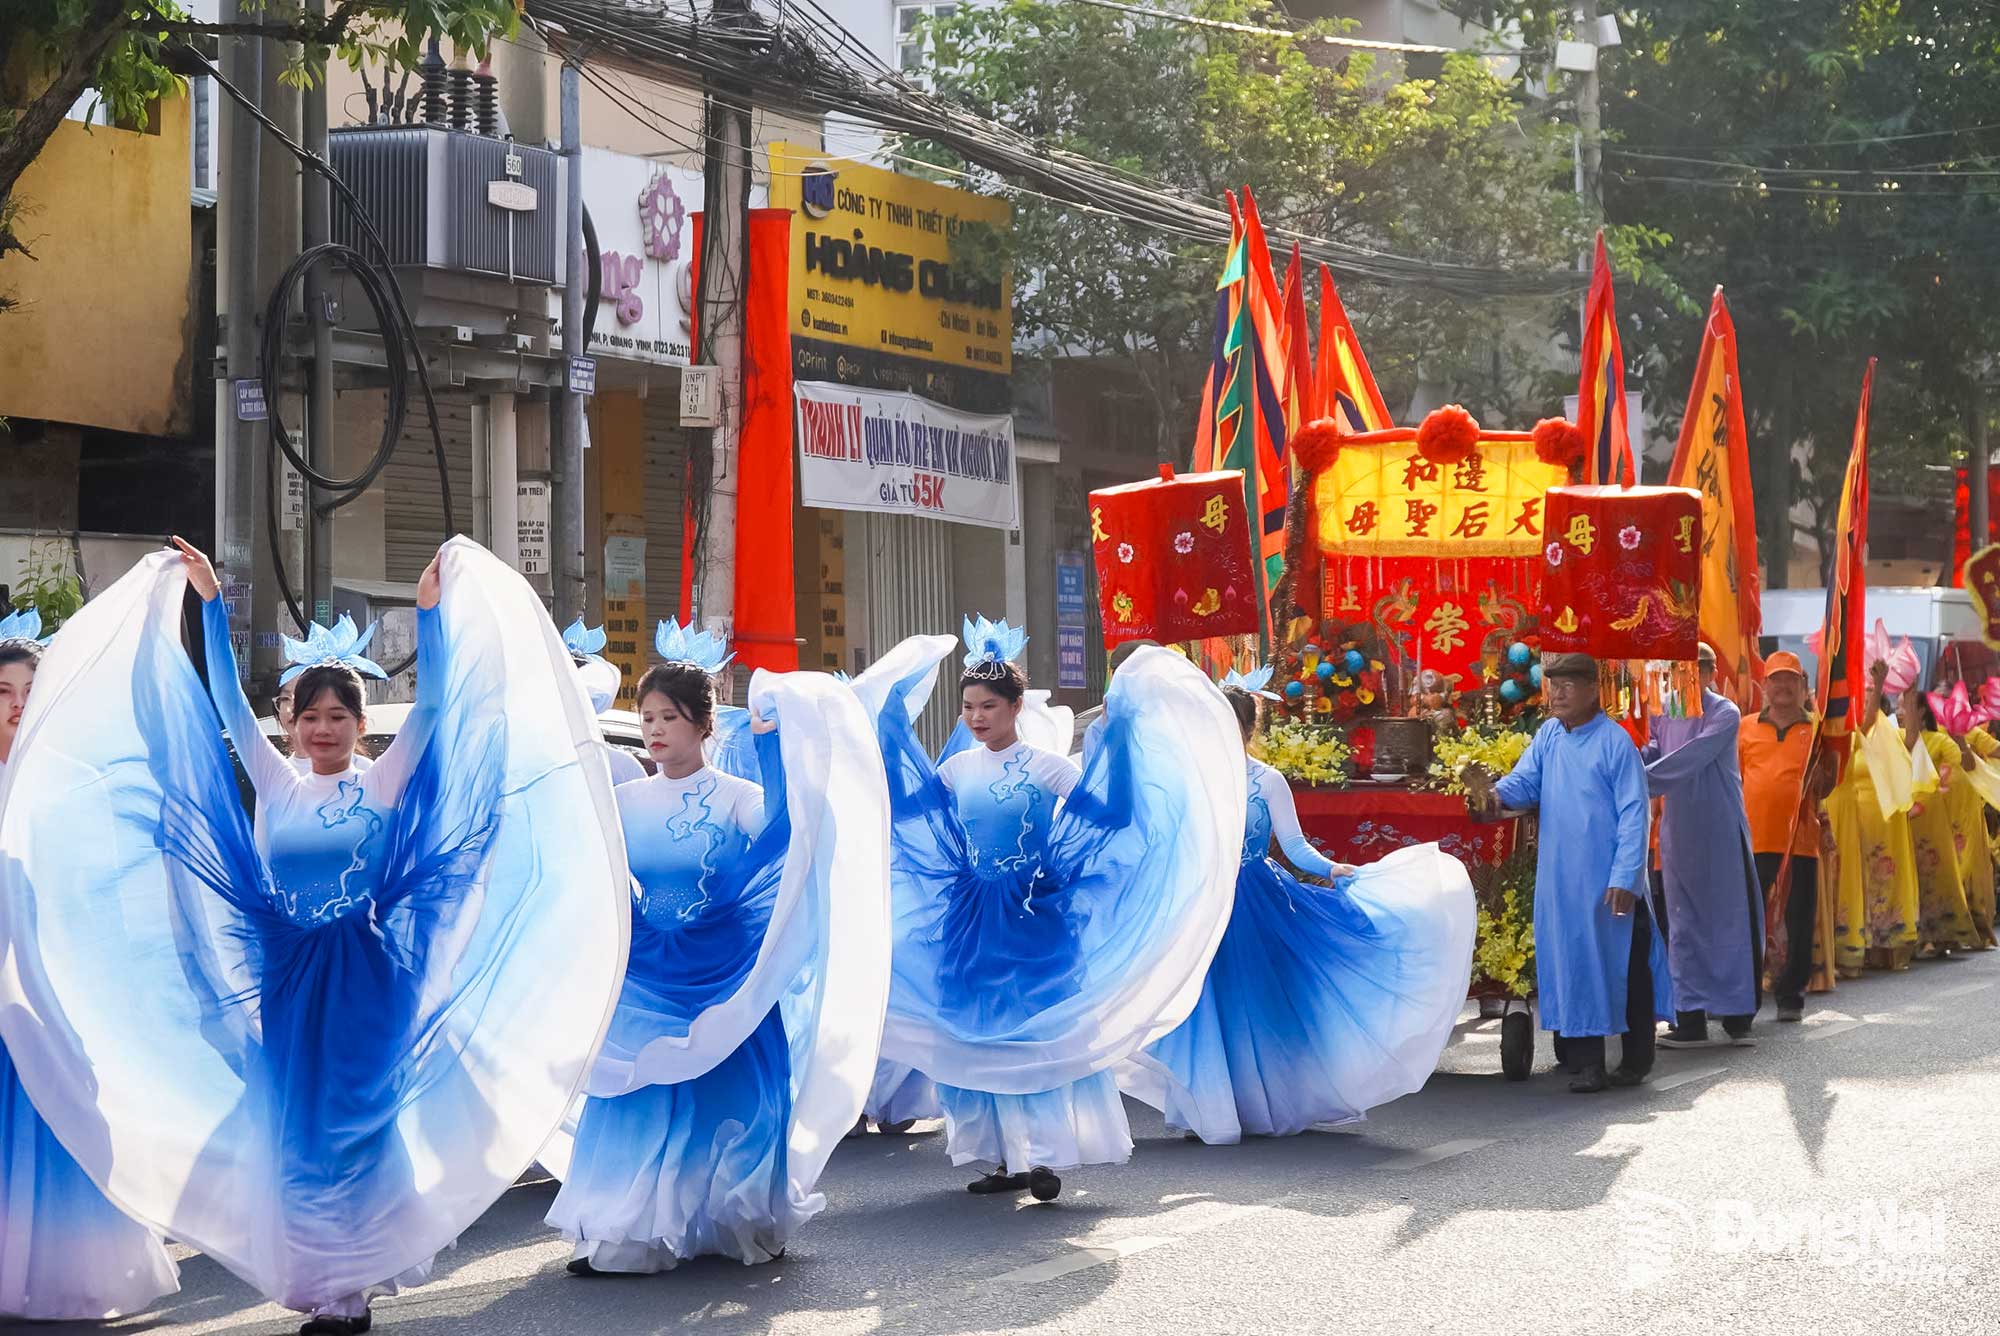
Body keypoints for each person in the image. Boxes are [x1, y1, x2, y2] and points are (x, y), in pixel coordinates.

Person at [0, 538, 628, 1335]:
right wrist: (209, 601)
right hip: (289, 975)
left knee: (359, 1123)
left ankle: (354, 1281)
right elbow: (226, 704)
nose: (321, 728)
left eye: (337, 715)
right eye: (308, 715)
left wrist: (430, 614)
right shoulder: (276, 782)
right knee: (298, 1128)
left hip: (370, 976)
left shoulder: (383, 781)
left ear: (361, 724)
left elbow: (433, 706)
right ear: (291, 724)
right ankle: (322, 1276)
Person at [850, 618, 1241, 1200]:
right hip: (972, 916)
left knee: (1034, 1029)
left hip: (1032, 915)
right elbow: (908, 812)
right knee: (978, 1027)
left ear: (1014, 707)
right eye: (967, 708)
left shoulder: (1045, 765)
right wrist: (886, 730)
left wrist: (1121, 746)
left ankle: (1045, 1153)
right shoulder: (957, 769)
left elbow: (1108, 817)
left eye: (987, 706)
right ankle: (1001, 1155)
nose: (976, 717)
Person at [547, 620, 890, 1273]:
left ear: (703, 725)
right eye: (645, 717)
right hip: (648, 970)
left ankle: (734, 1218)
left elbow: (786, 832)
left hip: (725, 971)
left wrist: (766, 741)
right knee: (635, 1092)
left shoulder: (737, 797)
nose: (653, 729)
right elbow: (576, 853)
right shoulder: (621, 799)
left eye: (668, 717)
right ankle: (628, 1229)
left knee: (730, 1095)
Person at [1128, 669, 1475, 1143]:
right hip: (1201, 899)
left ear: (1248, 730)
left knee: (1254, 1001)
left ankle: (1257, 1104)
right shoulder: (1188, 777)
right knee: (1203, 1005)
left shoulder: (1266, 780)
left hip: (1253, 901)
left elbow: (1293, 844)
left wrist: (1332, 868)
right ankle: (1209, 1107)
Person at [0, 610, 181, 1322]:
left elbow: (106, 883)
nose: (17, 706)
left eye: (29, 692)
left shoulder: (73, 783)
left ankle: (65, 1270)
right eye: (3, 692)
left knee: (58, 1115)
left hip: (49, 977)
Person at [1473, 652, 1671, 1094]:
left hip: (1606, 879)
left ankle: (1636, 1057)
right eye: (1553, 684)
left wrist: (1625, 876)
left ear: (1593, 690)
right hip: (1562, 877)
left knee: (1624, 964)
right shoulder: (1549, 737)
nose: (1557, 693)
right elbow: (1525, 783)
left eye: (1568, 684)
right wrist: (1491, 794)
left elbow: (1635, 814)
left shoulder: (1615, 742)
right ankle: (1586, 1062)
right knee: (1574, 961)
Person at [1645, 644, 1764, 1049]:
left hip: (1720, 832)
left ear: (1713, 674)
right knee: (1683, 924)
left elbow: (1689, 758)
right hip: (1680, 834)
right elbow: (1655, 752)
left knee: (1729, 921)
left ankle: (1737, 1016)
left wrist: (1638, 780)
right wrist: (1622, 760)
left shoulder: (1724, 713)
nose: (1690, 679)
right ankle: (1690, 1018)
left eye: (1699, 670)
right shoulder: (1661, 712)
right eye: (1682, 671)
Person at [1737, 651, 1831, 1021]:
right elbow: (1733, 779)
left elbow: (1826, 786)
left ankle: (1791, 994)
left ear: (1803, 686)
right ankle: (1742, 997)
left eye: (1790, 680)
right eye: (1776, 679)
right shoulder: (1744, 727)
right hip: (1753, 839)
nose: (1783, 687)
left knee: (1798, 918)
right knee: (1748, 920)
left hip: (1800, 840)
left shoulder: (1818, 730)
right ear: (1764, 686)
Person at [1826, 662, 1919, 974]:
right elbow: (1863, 725)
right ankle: (1860, 945)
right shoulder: (1850, 735)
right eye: (1862, 697)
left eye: (1870, 698)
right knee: (1858, 883)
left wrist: (1907, 691)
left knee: (1882, 881)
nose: (1865, 702)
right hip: (1856, 819)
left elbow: (1911, 741)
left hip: (1884, 822)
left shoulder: (1888, 734)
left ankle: (1887, 945)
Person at [1901, 688, 1980, 957]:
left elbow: (1966, 765)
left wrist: (1959, 737)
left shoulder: (1939, 742)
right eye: (1901, 707)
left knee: (1936, 872)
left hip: (1932, 816)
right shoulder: (1899, 738)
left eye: (1907, 706)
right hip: (1906, 815)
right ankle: (1917, 934)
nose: (1901, 712)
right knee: (1912, 875)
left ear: (1922, 712)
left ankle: (1943, 933)